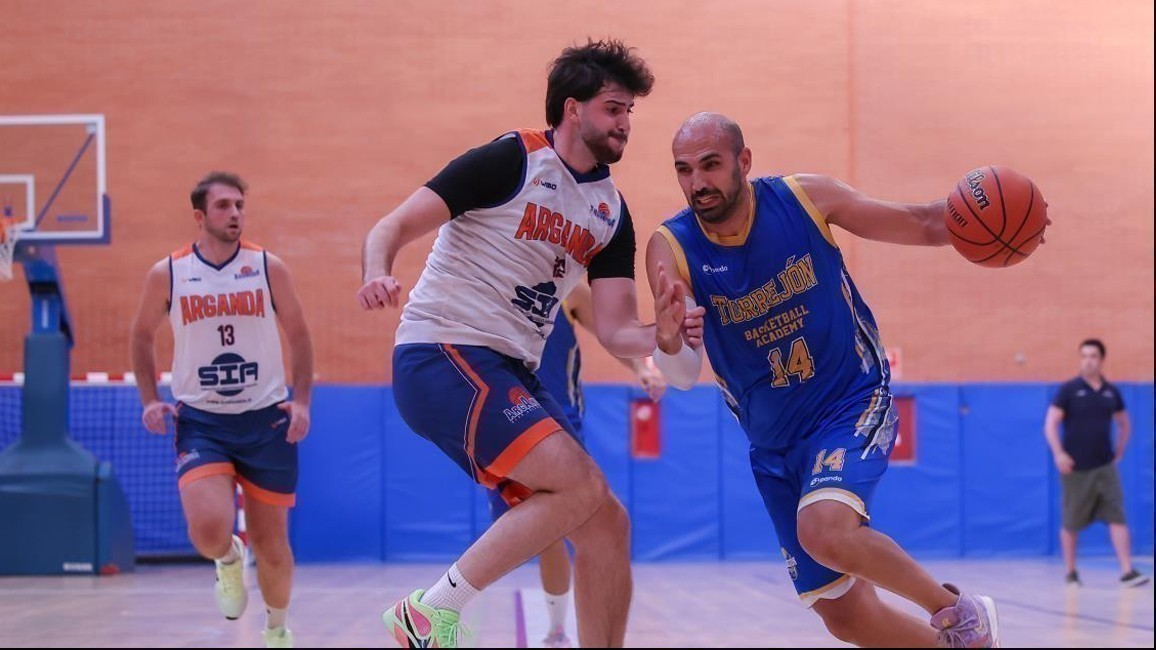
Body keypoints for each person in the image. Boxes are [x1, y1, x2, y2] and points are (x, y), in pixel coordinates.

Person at [646, 112, 1034, 648]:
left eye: (710, 165)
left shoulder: (805, 199)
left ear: (744, 161)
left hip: (849, 401)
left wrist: (996, 219)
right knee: (846, 617)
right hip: (773, 443)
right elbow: (684, 373)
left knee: (824, 529)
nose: (697, 182)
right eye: (684, 170)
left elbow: (923, 222)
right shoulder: (672, 247)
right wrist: (669, 343)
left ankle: (960, 613)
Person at [358, 40, 694, 648]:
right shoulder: (510, 159)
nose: (625, 123)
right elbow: (393, 225)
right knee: (580, 486)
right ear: (573, 109)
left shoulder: (611, 213)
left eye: (629, 112)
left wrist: (659, 335)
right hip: (443, 351)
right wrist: (377, 271)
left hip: (511, 367)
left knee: (607, 526)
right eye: (613, 108)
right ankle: (430, 611)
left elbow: (615, 327)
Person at [130, 172, 314, 649]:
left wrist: (302, 401)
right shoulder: (168, 273)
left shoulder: (267, 267)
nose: (235, 214)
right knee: (209, 529)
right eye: (223, 206)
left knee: (272, 546)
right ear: (199, 216)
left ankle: (277, 630)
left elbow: (299, 335)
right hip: (203, 421)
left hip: (266, 418)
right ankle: (228, 558)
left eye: (239, 206)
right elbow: (141, 336)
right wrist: (149, 398)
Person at [486, 280, 666, 649]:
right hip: (510, 421)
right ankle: (446, 602)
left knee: (579, 526)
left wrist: (642, 369)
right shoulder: (496, 282)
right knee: (535, 532)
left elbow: (612, 335)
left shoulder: (569, 292)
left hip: (561, 423)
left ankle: (560, 631)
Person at [1044, 339, 1148, 588]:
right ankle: (1071, 572)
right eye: (1084, 356)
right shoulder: (1069, 390)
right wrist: (1059, 454)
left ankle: (1127, 571)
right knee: (1071, 521)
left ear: (1101, 359)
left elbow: (1124, 422)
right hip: (1076, 468)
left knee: (1117, 516)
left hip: (1105, 467)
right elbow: (1050, 423)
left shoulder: (1111, 392)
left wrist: (1120, 448)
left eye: (1092, 356)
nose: (1088, 361)